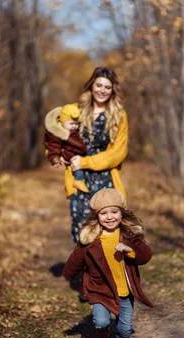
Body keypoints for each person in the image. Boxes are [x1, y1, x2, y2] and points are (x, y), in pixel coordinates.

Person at [62, 188, 153, 338]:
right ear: (97, 217)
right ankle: (101, 333)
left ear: (122, 213)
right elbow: (75, 260)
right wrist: (68, 275)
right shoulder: (91, 239)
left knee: (125, 328)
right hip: (100, 289)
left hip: (125, 290)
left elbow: (146, 255)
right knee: (101, 320)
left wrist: (130, 251)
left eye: (114, 212)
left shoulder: (129, 236)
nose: (110, 217)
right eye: (104, 213)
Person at [44, 67, 128, 243]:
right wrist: (56, 156)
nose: (102, 90)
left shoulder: (119, 116)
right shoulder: (74, 111)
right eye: (99, 85)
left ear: (113, 90)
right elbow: (54, 135)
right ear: (91, 86)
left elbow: (118, 153)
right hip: (78, 180)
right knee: (81, 227)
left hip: (106, 179)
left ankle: (106, 269)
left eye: (107, 87)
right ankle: (84, 270)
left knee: (108, 227)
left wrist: (85, 162)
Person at [44, 104, 89, 193]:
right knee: (76, 165)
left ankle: (80, 180)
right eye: (71, 123)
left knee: (77, 162)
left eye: (77, 124)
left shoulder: (73, 132)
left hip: (72, 154)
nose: (74, 126)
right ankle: (79, 180)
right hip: (69, 155)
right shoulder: (58, 133)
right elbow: (53, 146)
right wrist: (55, 158)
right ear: (62, 122)